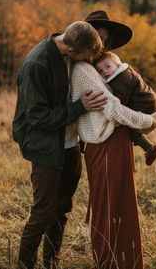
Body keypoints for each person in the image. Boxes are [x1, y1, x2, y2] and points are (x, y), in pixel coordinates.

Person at [12, 21, 108, 269]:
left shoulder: (75, 49)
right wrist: (80, 107)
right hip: (45, 148)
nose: (88, 62)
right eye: (86, 58)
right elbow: (37, 117)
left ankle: (51, 261)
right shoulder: (37, 64)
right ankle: (25, 264)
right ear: (71, 52)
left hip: (70, 145)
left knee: (62, 209)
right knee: (42, 213)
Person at [70, 10, 156, 269]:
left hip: (117, 142)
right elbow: (112, 109)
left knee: (122, 205)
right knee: (108, 207)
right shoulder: (83, 69)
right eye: (97, 38)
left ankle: (127, 261)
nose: (102, 46)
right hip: (104, 145)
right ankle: (109, 262)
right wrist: (149, 121)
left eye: (105, 41)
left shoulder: (102, 67)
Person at [94, 51, 156, 166]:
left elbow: (120, 101)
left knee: (132, 132)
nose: (105, 71)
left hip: (144, 104)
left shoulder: (120, 78)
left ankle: (151, 149)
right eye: (100, 71)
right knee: (132, 130)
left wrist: (111, 104)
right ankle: (150, 149)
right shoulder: (126, 72)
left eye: (108, 66)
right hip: (147, 102)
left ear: (117, 64)